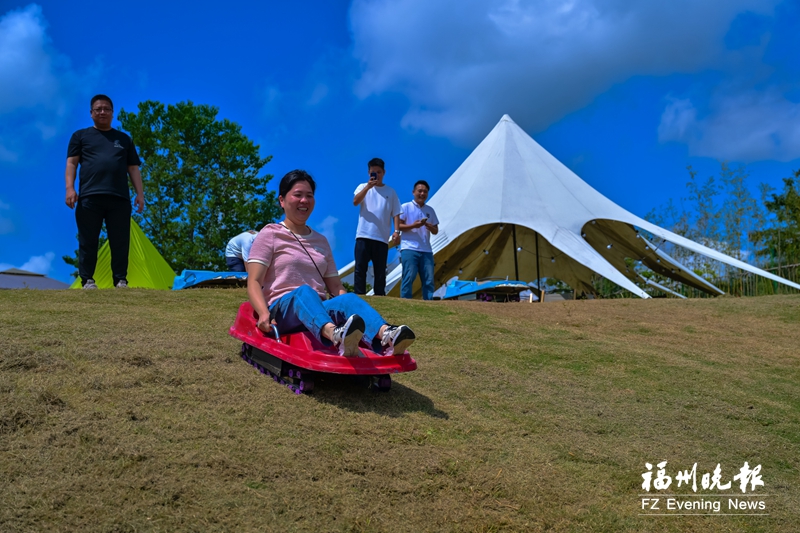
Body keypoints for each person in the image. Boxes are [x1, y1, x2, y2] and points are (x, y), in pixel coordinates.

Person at [247, 170, 415, 357]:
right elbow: (254, 280)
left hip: (316, 310)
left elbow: (335, 286)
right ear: (282, 200)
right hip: (283, 311)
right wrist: (263, 313)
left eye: (309, 196)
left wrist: (347, 305)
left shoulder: (321, 241)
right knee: (304, 292)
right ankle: (335, 335)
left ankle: (388, 336)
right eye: (298, 195)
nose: (304, 200)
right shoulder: (270, 233)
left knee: (349, 298)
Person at [65, 95, 144, 289]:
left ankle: (120, 280)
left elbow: (133, 168)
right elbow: (72, 163)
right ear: (91, 113)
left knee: (120, 241)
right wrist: (70, 188)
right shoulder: (80, 136)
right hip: (89, 197)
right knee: (88, 240)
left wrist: (140, 194)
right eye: (98, 109)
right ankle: (87, 280)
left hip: (119, 198)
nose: (102, 112)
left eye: (106, 109)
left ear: (112, 113)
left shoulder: (124, 139)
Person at [352, 157, 401, 296]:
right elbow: (355, 201)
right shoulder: (362, 187)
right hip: (363, 234)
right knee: (360, 268)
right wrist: (368, 187)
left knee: (380, 270)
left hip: (381, 237)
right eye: (373, 172)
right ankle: (359, 295)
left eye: (379, 172)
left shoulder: (391, 192)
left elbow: (396, 213)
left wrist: (397, 231)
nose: (376, 175)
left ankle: (380, 296)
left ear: (384, 172)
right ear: (369, 172)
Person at [398, 180, 439, 300]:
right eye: (420, 191)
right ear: (413, 192)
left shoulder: (430, 210)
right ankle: (405, 302)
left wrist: (431, 227)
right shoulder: (405, 207)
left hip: (426, 250)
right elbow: (398, 226)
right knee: (409, 277)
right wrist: (413, 226)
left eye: (425, 192)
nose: (422, 194)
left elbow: (436, 230)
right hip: (409, 247)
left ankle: (429, 303)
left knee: (429, 280)